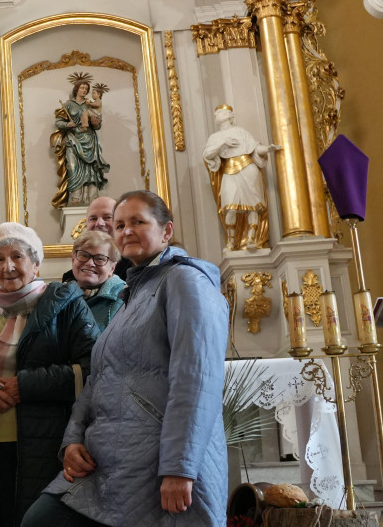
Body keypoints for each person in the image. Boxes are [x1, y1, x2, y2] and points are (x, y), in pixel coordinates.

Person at [23, 190, 228, 527]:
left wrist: (180, 468)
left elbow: (197, 380)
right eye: (120, 225)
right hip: (110, 459)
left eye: (138, 222)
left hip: (159, 462)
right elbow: (99, 377)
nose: (126, 230)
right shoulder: (134, 292)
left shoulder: (186, 280)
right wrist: (72, 440)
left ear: (166, 231)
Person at [0, 222, 98, 527]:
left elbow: (92, 369)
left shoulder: (67, 306)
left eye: (17, 257)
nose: (8, 267)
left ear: (36, 264)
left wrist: (27, 386)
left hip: (49, 446)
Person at [203, 104, 277, 250]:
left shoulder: (241, 132)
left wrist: (268, 149)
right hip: (229, 170)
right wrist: (222, 144)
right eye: (216, 113)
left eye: (220, 113)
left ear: (229, 115)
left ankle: (251, 239)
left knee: (252, 207)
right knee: (229, 207)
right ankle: (231, 241)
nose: (216, 115)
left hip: (248, 168)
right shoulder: (215, 137)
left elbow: (255, 148)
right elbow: (207, 155)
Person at [51, 78, 110, 208]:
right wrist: (68, 124)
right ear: (76, 89)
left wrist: (96, 123)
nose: (84, 90)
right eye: (82, 88)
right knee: (73, 168)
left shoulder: (90, 104)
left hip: (89, 139)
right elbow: (58, 122)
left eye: (86, 89)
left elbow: (97, 125)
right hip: (73, 139)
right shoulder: (68, 105)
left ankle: (92, 198)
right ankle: (75, 198)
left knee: (91, 169)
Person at [60, 197, 131, 284]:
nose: (99, 223)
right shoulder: (70, 278)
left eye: (107, 217)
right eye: (93, 219)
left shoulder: (134, 267)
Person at [65, 231, 125, 331]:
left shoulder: (125, 297)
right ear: (73, 260)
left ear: (112, 268)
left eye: (100, 258)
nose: (90, 263)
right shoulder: (61, 295)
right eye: (84, 255)